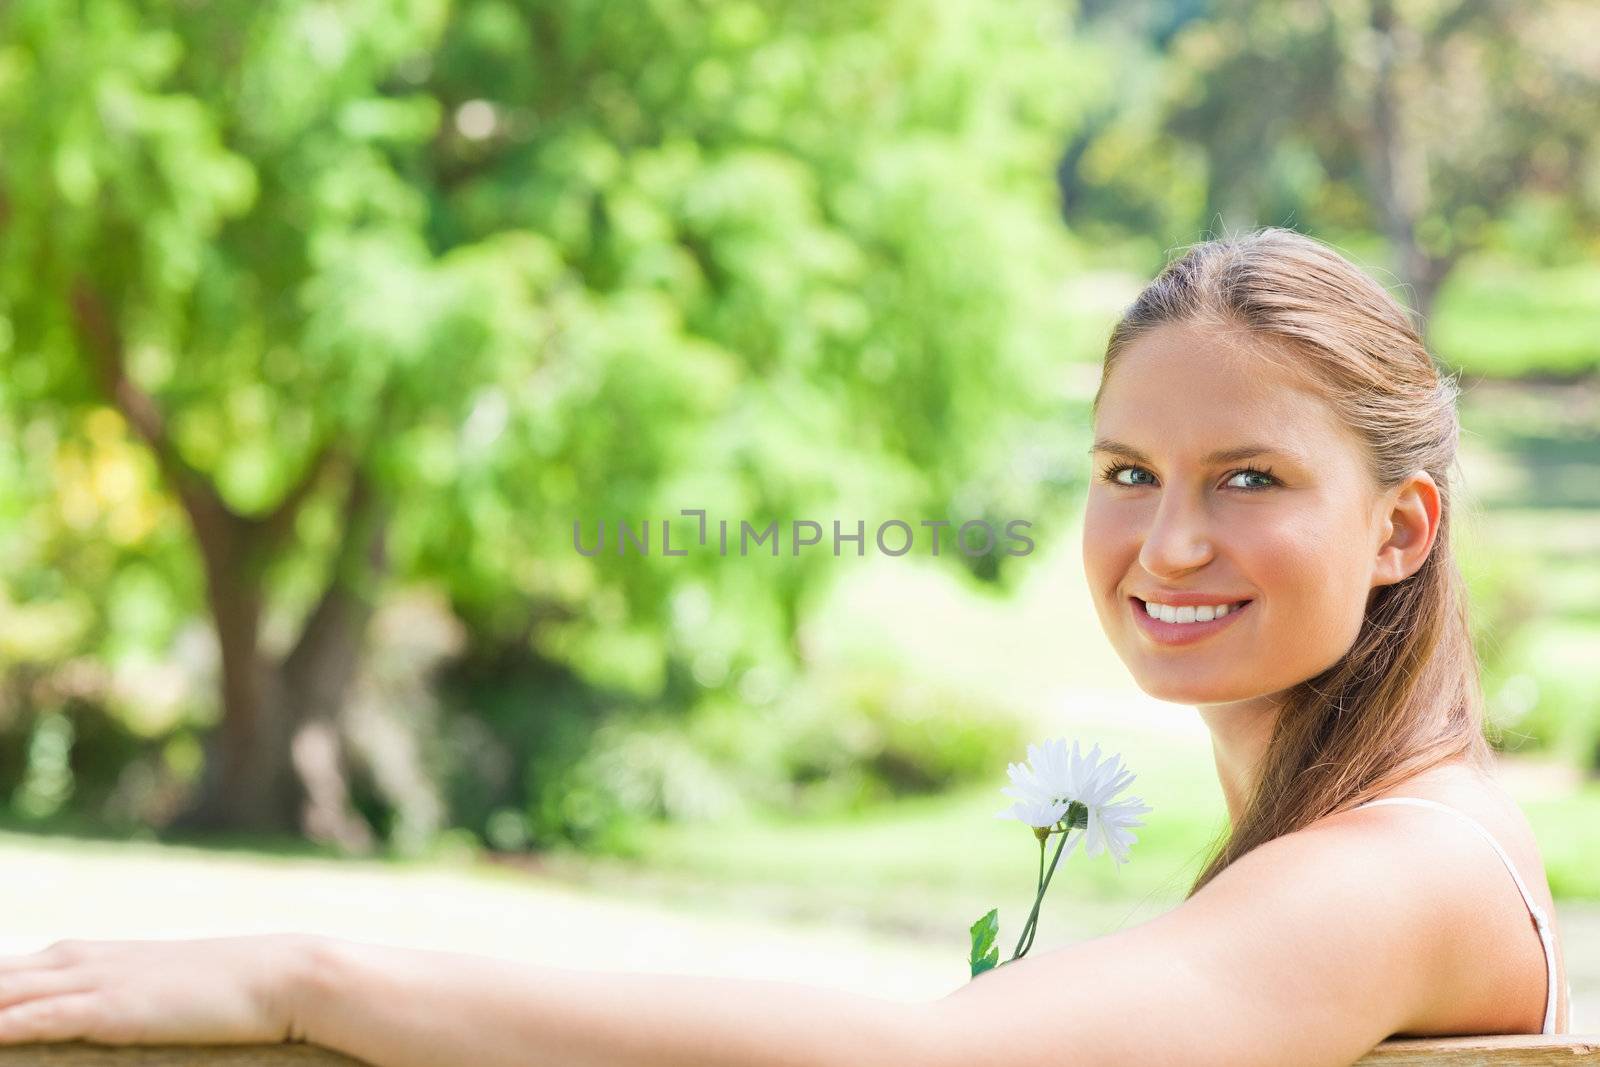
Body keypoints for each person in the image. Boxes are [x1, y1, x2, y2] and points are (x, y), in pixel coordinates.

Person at [0, 228, 1570, 1066]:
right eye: (1126, 475)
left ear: (1402, 528)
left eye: (1252, 478)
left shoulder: (1392, 871)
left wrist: (306, 973)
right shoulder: (1363, 831)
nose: (1167, 543)